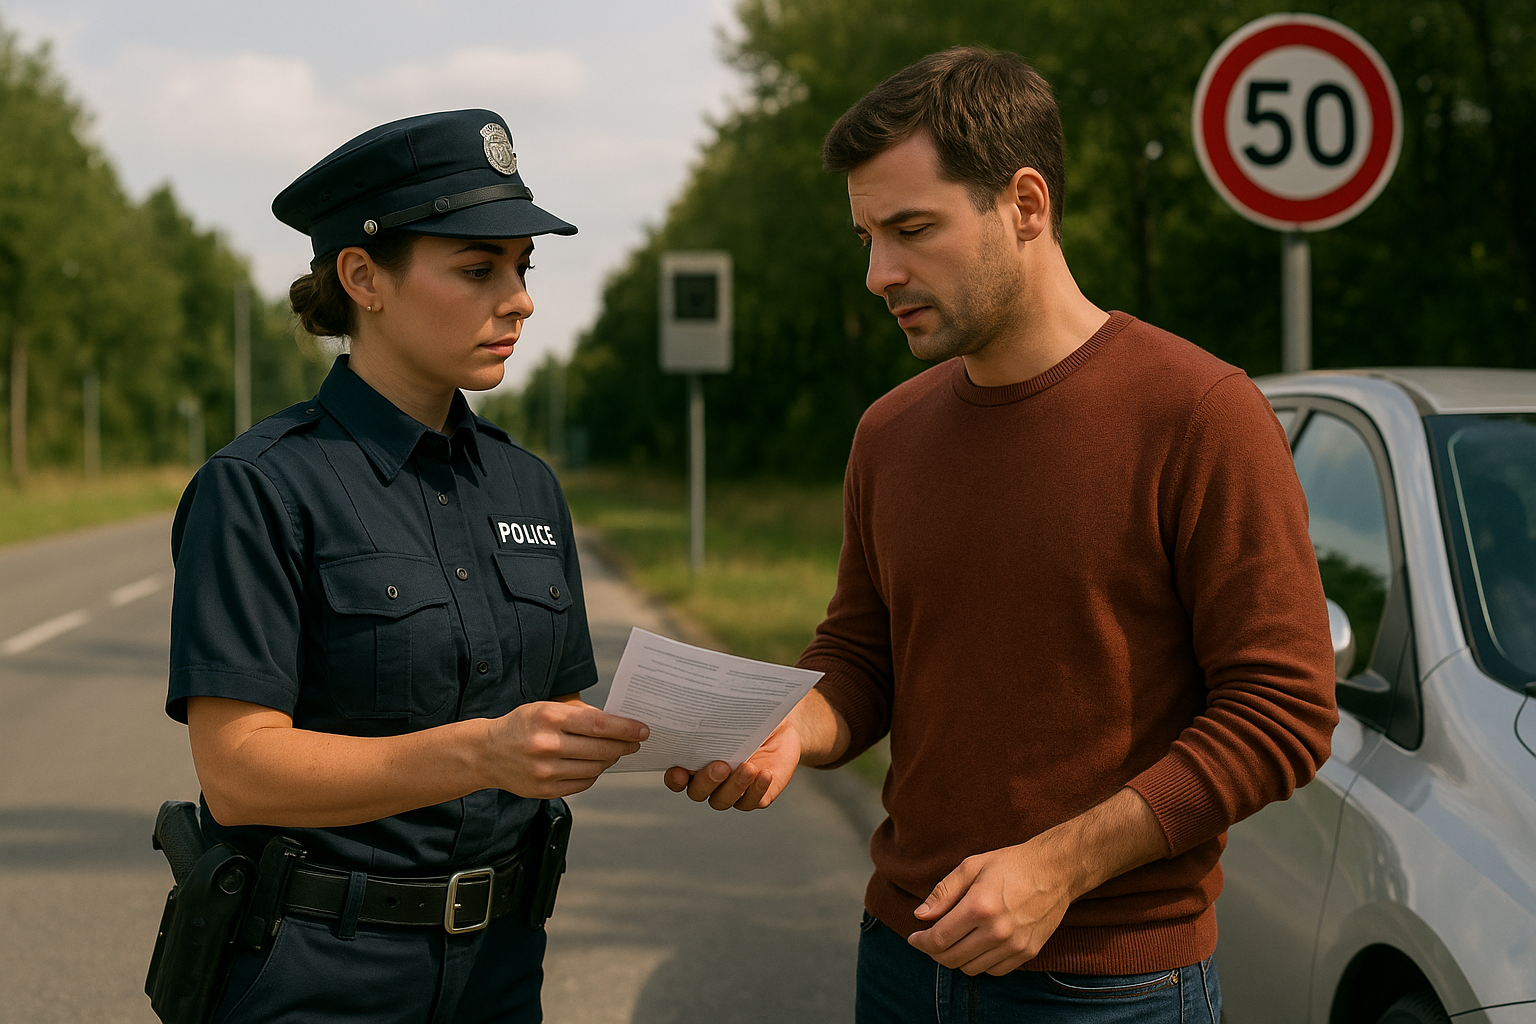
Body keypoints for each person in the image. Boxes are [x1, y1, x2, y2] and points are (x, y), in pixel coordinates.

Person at [665, 48, 1337, 1022]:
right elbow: (862, 657)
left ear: (1025, 203)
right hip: (899, 957)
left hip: (1112, 985)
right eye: (865, 237)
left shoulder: (1200, 412)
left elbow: (1283, 712)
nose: (876, 272)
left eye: (910, 230)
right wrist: (790, 727)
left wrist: (1058, 866)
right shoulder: (888, 432)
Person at [164, 109, 648, 1024]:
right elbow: (238, 770)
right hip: (319, 975)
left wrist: (672, 737)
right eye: (478, 269)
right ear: (362, 277)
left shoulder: (527, 485)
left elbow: (560, 711)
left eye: (522, 268)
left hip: (502, 969)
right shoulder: (261, 488)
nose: (520, 299)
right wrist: (483, 751)